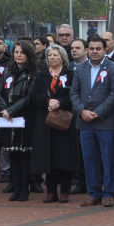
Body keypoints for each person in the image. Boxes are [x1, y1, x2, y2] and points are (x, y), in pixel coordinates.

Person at [71, 35, 114, 206]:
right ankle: (94, 193)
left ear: (104, 49)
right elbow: (74, 93)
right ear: (87, 50)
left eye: (98, 48)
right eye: (91, 48)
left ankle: (109, 194)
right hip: (84, 121)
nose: (94, 51)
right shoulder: (80, 69)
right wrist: (82, 110)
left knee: (108, 159)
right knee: (89, 159)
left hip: (105, 122)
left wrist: (97, 112)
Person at [33, 44, 81, 203]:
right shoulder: (41, 76)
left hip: (64, 121)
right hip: (46, 121)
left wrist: (59, 102)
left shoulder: (71, 75)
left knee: (64, 157)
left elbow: (74, 95)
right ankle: (51, 191)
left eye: (55, 55)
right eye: (49, 56)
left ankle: (65, 191)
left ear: (62, 58)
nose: (52, 58)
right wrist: (48, 100)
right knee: (49, 157)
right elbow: (34, 96)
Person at [0, 41, 40, 201]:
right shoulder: (8, 71)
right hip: (7, 118)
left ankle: (25, 188)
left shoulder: (34, 73)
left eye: (22, 52)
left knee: (24, 155)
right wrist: (4, 109)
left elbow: (30, 96)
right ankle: (15, 187)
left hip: (25, 117)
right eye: (16, 52)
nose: (18, 55)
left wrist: (11, 110)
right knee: (12, 154)